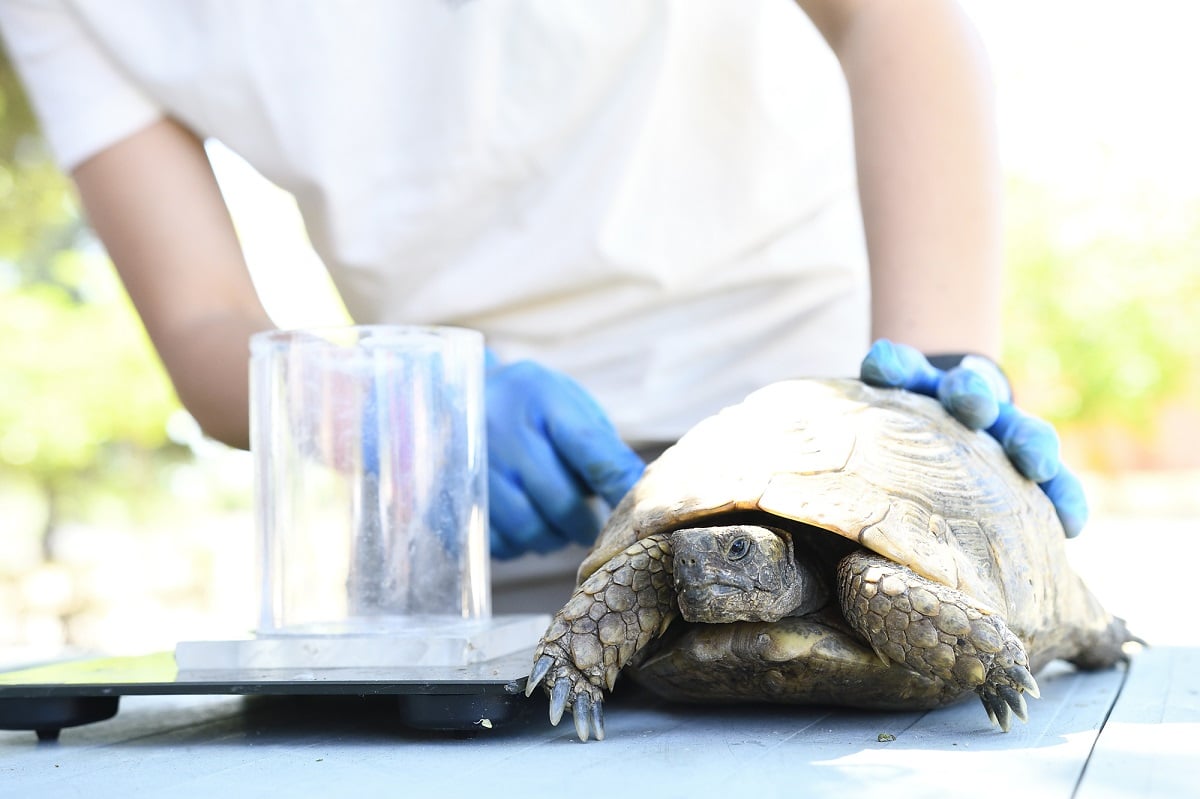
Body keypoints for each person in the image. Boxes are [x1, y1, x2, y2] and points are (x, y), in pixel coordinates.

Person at [0, 0, 1085, 610]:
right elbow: (200, 324)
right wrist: (393, 408)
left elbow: (891, 21)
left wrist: (931, 389)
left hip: (815, 469)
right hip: (476, 521)